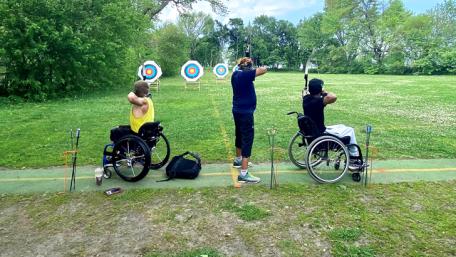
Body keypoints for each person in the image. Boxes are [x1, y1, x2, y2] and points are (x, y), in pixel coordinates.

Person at [303, 78, 362, 170]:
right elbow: (333, 97)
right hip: (320, 132)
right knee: (350, 130)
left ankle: (353, 158)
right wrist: (324, 91)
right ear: (319, 89)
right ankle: (354, 159)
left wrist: (315, 90)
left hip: (315, 130)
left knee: (341, 126)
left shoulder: (306, 99)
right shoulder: (317, 102)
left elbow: (304, 92)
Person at [231, 57, 267, 183]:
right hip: (245, 113)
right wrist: (260, 66)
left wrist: (246, 64)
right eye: (250, 66)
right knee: (247, 139)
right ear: (246, 67)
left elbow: (248, 70)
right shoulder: (245, 75)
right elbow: (263, 70)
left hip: (237, 110)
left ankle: (238, 160)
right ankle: (244, 174)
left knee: (239, 135)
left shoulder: (236, 73)